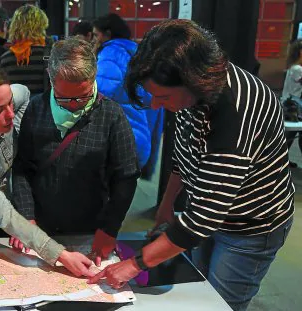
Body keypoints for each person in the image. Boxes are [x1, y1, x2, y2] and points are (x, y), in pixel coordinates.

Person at [89, 20, 294, 311]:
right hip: (212, 211)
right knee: (199, 286)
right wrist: (167, 203)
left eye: (163, 97)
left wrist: (133, 265)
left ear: (193, 80)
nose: (158, 106)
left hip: (252, 224)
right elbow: (184, 154)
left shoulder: (233, 114)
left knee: (217, 304)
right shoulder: (191, 94)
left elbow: (201, 221)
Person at [0, 63, 96, 277]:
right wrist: (61, 255)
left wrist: (19, 125)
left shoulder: (8, 101)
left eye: (10, 104)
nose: (9, 114)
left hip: (8, 201)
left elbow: (23, 92)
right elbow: (1, 212)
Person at [11, 38, 139, 266]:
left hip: (90, 228)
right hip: (41, 227)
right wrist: (26, 216)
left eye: (83, 97)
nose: (73, 105)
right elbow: (22, 167)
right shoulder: (36, 109)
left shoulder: (111, 115)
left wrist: (109, 229)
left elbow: (126, 177)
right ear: (51, 81)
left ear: (93, 79)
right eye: (64, 98)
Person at [93, 13, 163, 170]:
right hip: (139, 139)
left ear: (107, 34)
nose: (95, 39)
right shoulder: (137, 54)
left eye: (97, 35)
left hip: (117, 140)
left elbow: (98, 94)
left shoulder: (111, 54)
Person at [0, 4, 49, 95]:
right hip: (43, 108)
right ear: (42, 26)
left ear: (14, 27)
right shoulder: (51, 56)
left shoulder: (5, 59)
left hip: (14, 109)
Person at [281, 40, 302, 167]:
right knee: (290, 136)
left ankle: (282, 161)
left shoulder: (294, 68)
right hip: (293, 107)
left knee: (291, 136)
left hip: (293, 106)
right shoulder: (297, 69)